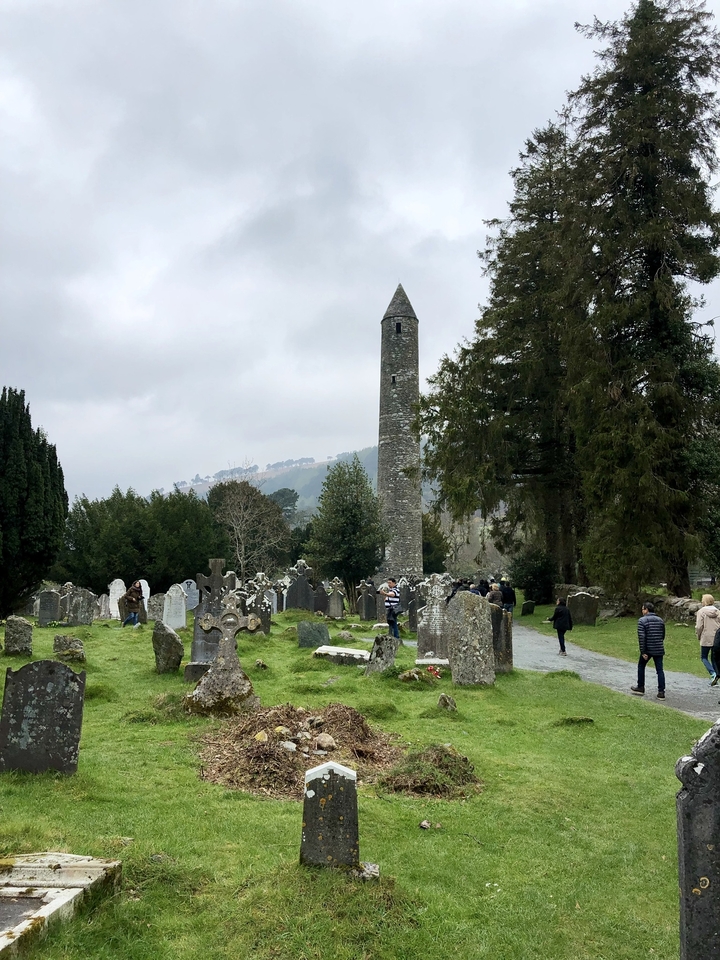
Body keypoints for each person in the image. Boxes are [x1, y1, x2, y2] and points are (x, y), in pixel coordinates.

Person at [632, 601, 666, 699]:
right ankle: (661, 692)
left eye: (643, 609)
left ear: (646, 610)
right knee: (659, 670)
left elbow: (642, 637)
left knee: (641, 666)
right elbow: (663, 635)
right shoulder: (660, 620)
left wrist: (643, 651)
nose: (642, 611)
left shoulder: (642, 621)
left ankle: (640, 687)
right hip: (659, 648)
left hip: (648, 649)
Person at [695, 594, 719, 684]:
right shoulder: (718, 612)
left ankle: (713, 673)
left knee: (704, 657)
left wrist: (698, 635)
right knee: (714, 658)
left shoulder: (701, 612)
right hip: (717, 637)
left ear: (704, 601)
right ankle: (716, 675)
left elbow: (699, 626)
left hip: (706, 636)